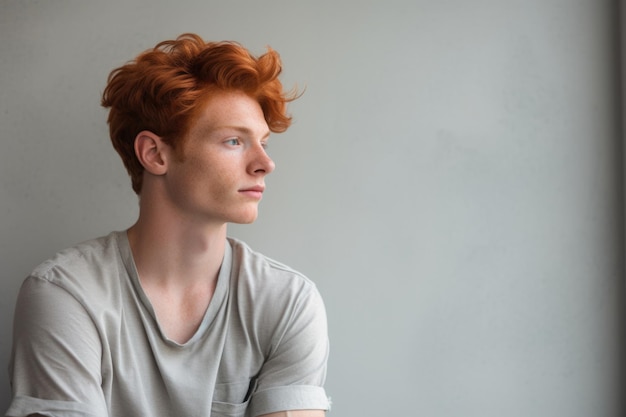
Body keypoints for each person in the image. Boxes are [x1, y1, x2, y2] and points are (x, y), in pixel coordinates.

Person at [5, 34, 330, 417]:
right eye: (233, 141)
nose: (264, 164)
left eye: (263, 143)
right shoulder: (67, 295)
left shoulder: (287, 303)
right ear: (155, 154)